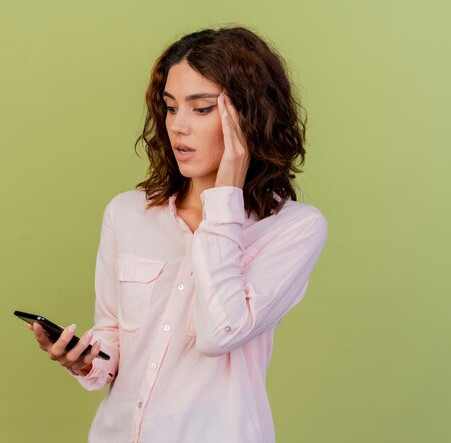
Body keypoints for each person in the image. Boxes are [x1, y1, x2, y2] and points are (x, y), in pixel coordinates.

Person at [27, 25, 328, 443]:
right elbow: (115, 333)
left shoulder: (294, 228)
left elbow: (219, 333)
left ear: (250, 117)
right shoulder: (127, 213)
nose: (178, 126)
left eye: (202, 109)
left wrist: (223, 199)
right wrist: (86, 362)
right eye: (170, 108)